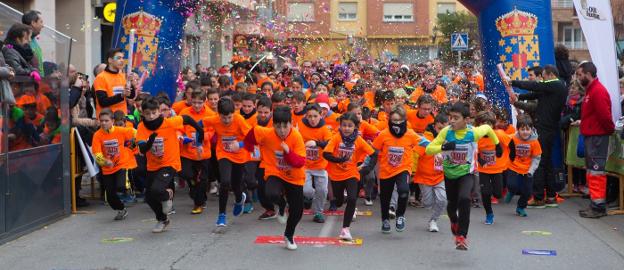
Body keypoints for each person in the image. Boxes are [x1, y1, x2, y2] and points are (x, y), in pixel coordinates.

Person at [425, 102, 500, 250]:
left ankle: (462, 236)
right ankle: (454, 221)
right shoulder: (446, 132)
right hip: (449, 174)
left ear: (466, 120)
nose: (451, 121)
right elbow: (428, 149)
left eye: (455, 118)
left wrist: (497, 144)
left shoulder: (473, 133)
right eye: (450, 117)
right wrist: (444, 147)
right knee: (452, 205)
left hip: (467, 173)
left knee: (465, 198)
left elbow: (487, 128)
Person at [136, 97, 204, 233]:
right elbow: (143, 149)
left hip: (170, 163)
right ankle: (162, 219)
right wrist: (151, 141)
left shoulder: (169, 123)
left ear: (159, 112)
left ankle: (167, 195)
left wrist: (199, 130)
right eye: (147, 113)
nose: (151, 116)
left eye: (154, 113)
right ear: (142, 113)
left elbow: (187, 119)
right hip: (153, 165)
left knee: (157, 189)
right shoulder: (142, 127)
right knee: (149, 197)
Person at [243, 106, 306, 250]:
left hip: (294, 176)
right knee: (270, 193)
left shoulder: (296, 136)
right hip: (275, 171)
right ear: (273, 125)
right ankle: (282, 205)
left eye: (285, 126)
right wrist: (248, 147)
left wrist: (288, 152)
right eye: (278, 126)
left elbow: (300, 162)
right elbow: (252, 134)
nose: (282, 130)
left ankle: (289, 235)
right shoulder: (267, 133)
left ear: (291, 124)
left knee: (297, 211)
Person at [509, 65, 568, 208]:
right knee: (546, 162)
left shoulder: (556, 84)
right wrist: (519, 96)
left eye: (543, 75)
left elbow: (536, 86)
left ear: (550, 75)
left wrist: (512, 82)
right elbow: (537, 94)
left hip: (545, 128)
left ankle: (538, 197)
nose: (542, 78)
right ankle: (551, 196)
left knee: (539, 162)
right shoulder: (554, 88)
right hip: (548, 127)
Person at [324, 112, 376, 240]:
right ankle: (340, 199)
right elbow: (326, 154)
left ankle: (345, 229)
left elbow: (374, 154)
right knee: (339, 201)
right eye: (344, 125)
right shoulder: (336, 138)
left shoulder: (359, 140)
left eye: (350, 126)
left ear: (355, 127)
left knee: (353, 198)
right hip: (336, 174)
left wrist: (366, 169)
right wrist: (339, 160)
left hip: (352, 173)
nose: (346, 128)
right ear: (340, 126)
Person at [201, 98, 252, 227]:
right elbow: (198, 123)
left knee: (236, 185)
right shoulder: (214, 119)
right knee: (225, 182)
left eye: (229, 117)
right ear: (219, 114)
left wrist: (239, 144)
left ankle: (240, 199)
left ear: (233, 113)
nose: (227, 120)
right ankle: (222, 215)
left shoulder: (239, 120)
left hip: (239, 155)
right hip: (223, 153)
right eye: (224, 118)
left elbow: (252, 137)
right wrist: (197, 142)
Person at [576, 62, 615, 218]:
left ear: (588, 73)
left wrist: (609, 130)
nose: (578, 78)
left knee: (596, 172)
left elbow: (604, 116)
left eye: (579, 74)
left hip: (597, 137)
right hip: (593, 136)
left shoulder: (597, 91)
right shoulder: (592, 90)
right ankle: (595, 204)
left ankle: (598, 207)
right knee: (592, 172)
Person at [92, 109, 136, 220]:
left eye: (106, 120)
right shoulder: (97, 135)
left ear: (112, 120)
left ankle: (130, 190)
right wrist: (105, 161)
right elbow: (96, 153)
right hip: (107, 168)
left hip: (121, 164)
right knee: (110, 197)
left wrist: (134, 144)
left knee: (120, 186)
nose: (103, 123)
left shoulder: (121, 131)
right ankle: (121, 209)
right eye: (101, 121)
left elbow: (136, 133)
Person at [178, 91, 214, 214]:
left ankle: (198, 203)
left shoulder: (210, 114)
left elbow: (212, 131)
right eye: (194, 102)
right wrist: (181, 137)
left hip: (203, 153)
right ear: (190, 101)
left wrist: (201, 137)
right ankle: (193, 187)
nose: (197, 105)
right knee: (186, 174)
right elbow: (178, 128)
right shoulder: (184, 113)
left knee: (202, 179)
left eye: (200, 102)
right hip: (187, 152)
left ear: (205, 102)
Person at [475, 111, 513, 224]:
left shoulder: (500, 134)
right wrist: (481, 160)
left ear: (493, 125)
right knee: (485, 193)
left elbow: (511, 144)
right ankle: (489, 214)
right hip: (483, 170)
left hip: (497, 169)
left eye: (489, 124)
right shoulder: (476, 137)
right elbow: (474, 152)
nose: (486, 127)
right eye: (483, 124)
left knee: (498, 194)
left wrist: (511, 157)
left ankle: (494, 189)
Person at [299, 104, 332, 223]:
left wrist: (316, 143)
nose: (312, 119)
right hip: (305, 165)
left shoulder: (324, 128)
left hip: (320, 165)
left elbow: (330, 143)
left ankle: (318, 212)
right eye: (310, 116)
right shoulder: (301, 126)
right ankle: (309, 197)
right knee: (306, 190)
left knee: (322, 190)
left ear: (321, 115)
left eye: (315, 116)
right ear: (306, 116)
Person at [414, 113, 448, 232]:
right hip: (424, 177)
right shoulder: (426, 139)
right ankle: (430, 203)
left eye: (444, 129)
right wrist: (411, 170)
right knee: (427, 203)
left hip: (440, 177)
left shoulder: (449, 140)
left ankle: (433, 220)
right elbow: (415, 155)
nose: (441, 132)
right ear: (434, 126)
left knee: (442, 199)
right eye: (439, 128)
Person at [504, 115, 541, 217]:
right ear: (518, 129)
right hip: (513, 166)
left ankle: (520, 207)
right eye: (522, 129)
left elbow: (536, 157)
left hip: (527, 169)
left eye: (527, 129)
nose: (525, 132)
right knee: (512, 185)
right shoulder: (514, 139)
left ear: (531, 129)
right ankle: (511, 192)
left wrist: (531, 170)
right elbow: (507, 149)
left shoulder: (534, 141)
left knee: (528, 192)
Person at [93, 48, 136, 117]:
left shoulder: (123, 76)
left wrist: (131, 84)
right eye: (118, 58)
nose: (122, 60)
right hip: (107, 120)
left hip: (122, 118)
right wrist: (121, 95)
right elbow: (103, 102)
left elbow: (131, 96)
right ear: (110, 60)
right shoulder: (101, 77)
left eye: (122, 58)